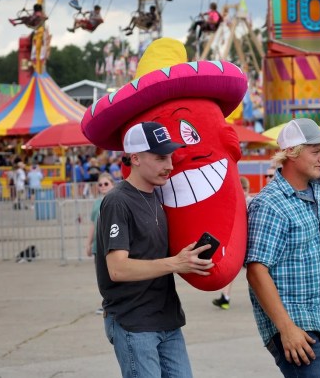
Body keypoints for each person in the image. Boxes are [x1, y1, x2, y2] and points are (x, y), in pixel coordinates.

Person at [97, 121, 214, 377]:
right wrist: (176, 263)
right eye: (161, 158)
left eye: (170, 157)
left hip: (167, 319)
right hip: (134, 322)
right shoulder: (117, 201)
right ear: (135, 158)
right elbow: (117, 269)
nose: (170, 166)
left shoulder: (160, 197)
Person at [246, 118, 320, 377]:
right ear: (291, 152)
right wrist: (286, 328)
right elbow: (256, 271)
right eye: (316, 152)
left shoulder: (319, 192)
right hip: (294, 325)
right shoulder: (269, 204)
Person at [212, 176, 253, 311]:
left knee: (257, 273)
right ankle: (225, 297)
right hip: (239, 246)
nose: (243, 192)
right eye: (241, 189)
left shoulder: (252, 203)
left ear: (248, 190)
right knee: (231, 271)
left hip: (250, 246)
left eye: (245, 189)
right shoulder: (234, 203)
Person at [85, 172, 114, 315]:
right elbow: (93, 224)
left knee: (114, 274)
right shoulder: (97, 203)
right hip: (98, 245)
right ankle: (106, 303)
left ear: (112, 184)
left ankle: (114, 302)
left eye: (106, 184)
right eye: (100, 184)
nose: (103, 187)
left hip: (113, 244)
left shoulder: (116, 200)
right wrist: (88, 243)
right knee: (102, 276)